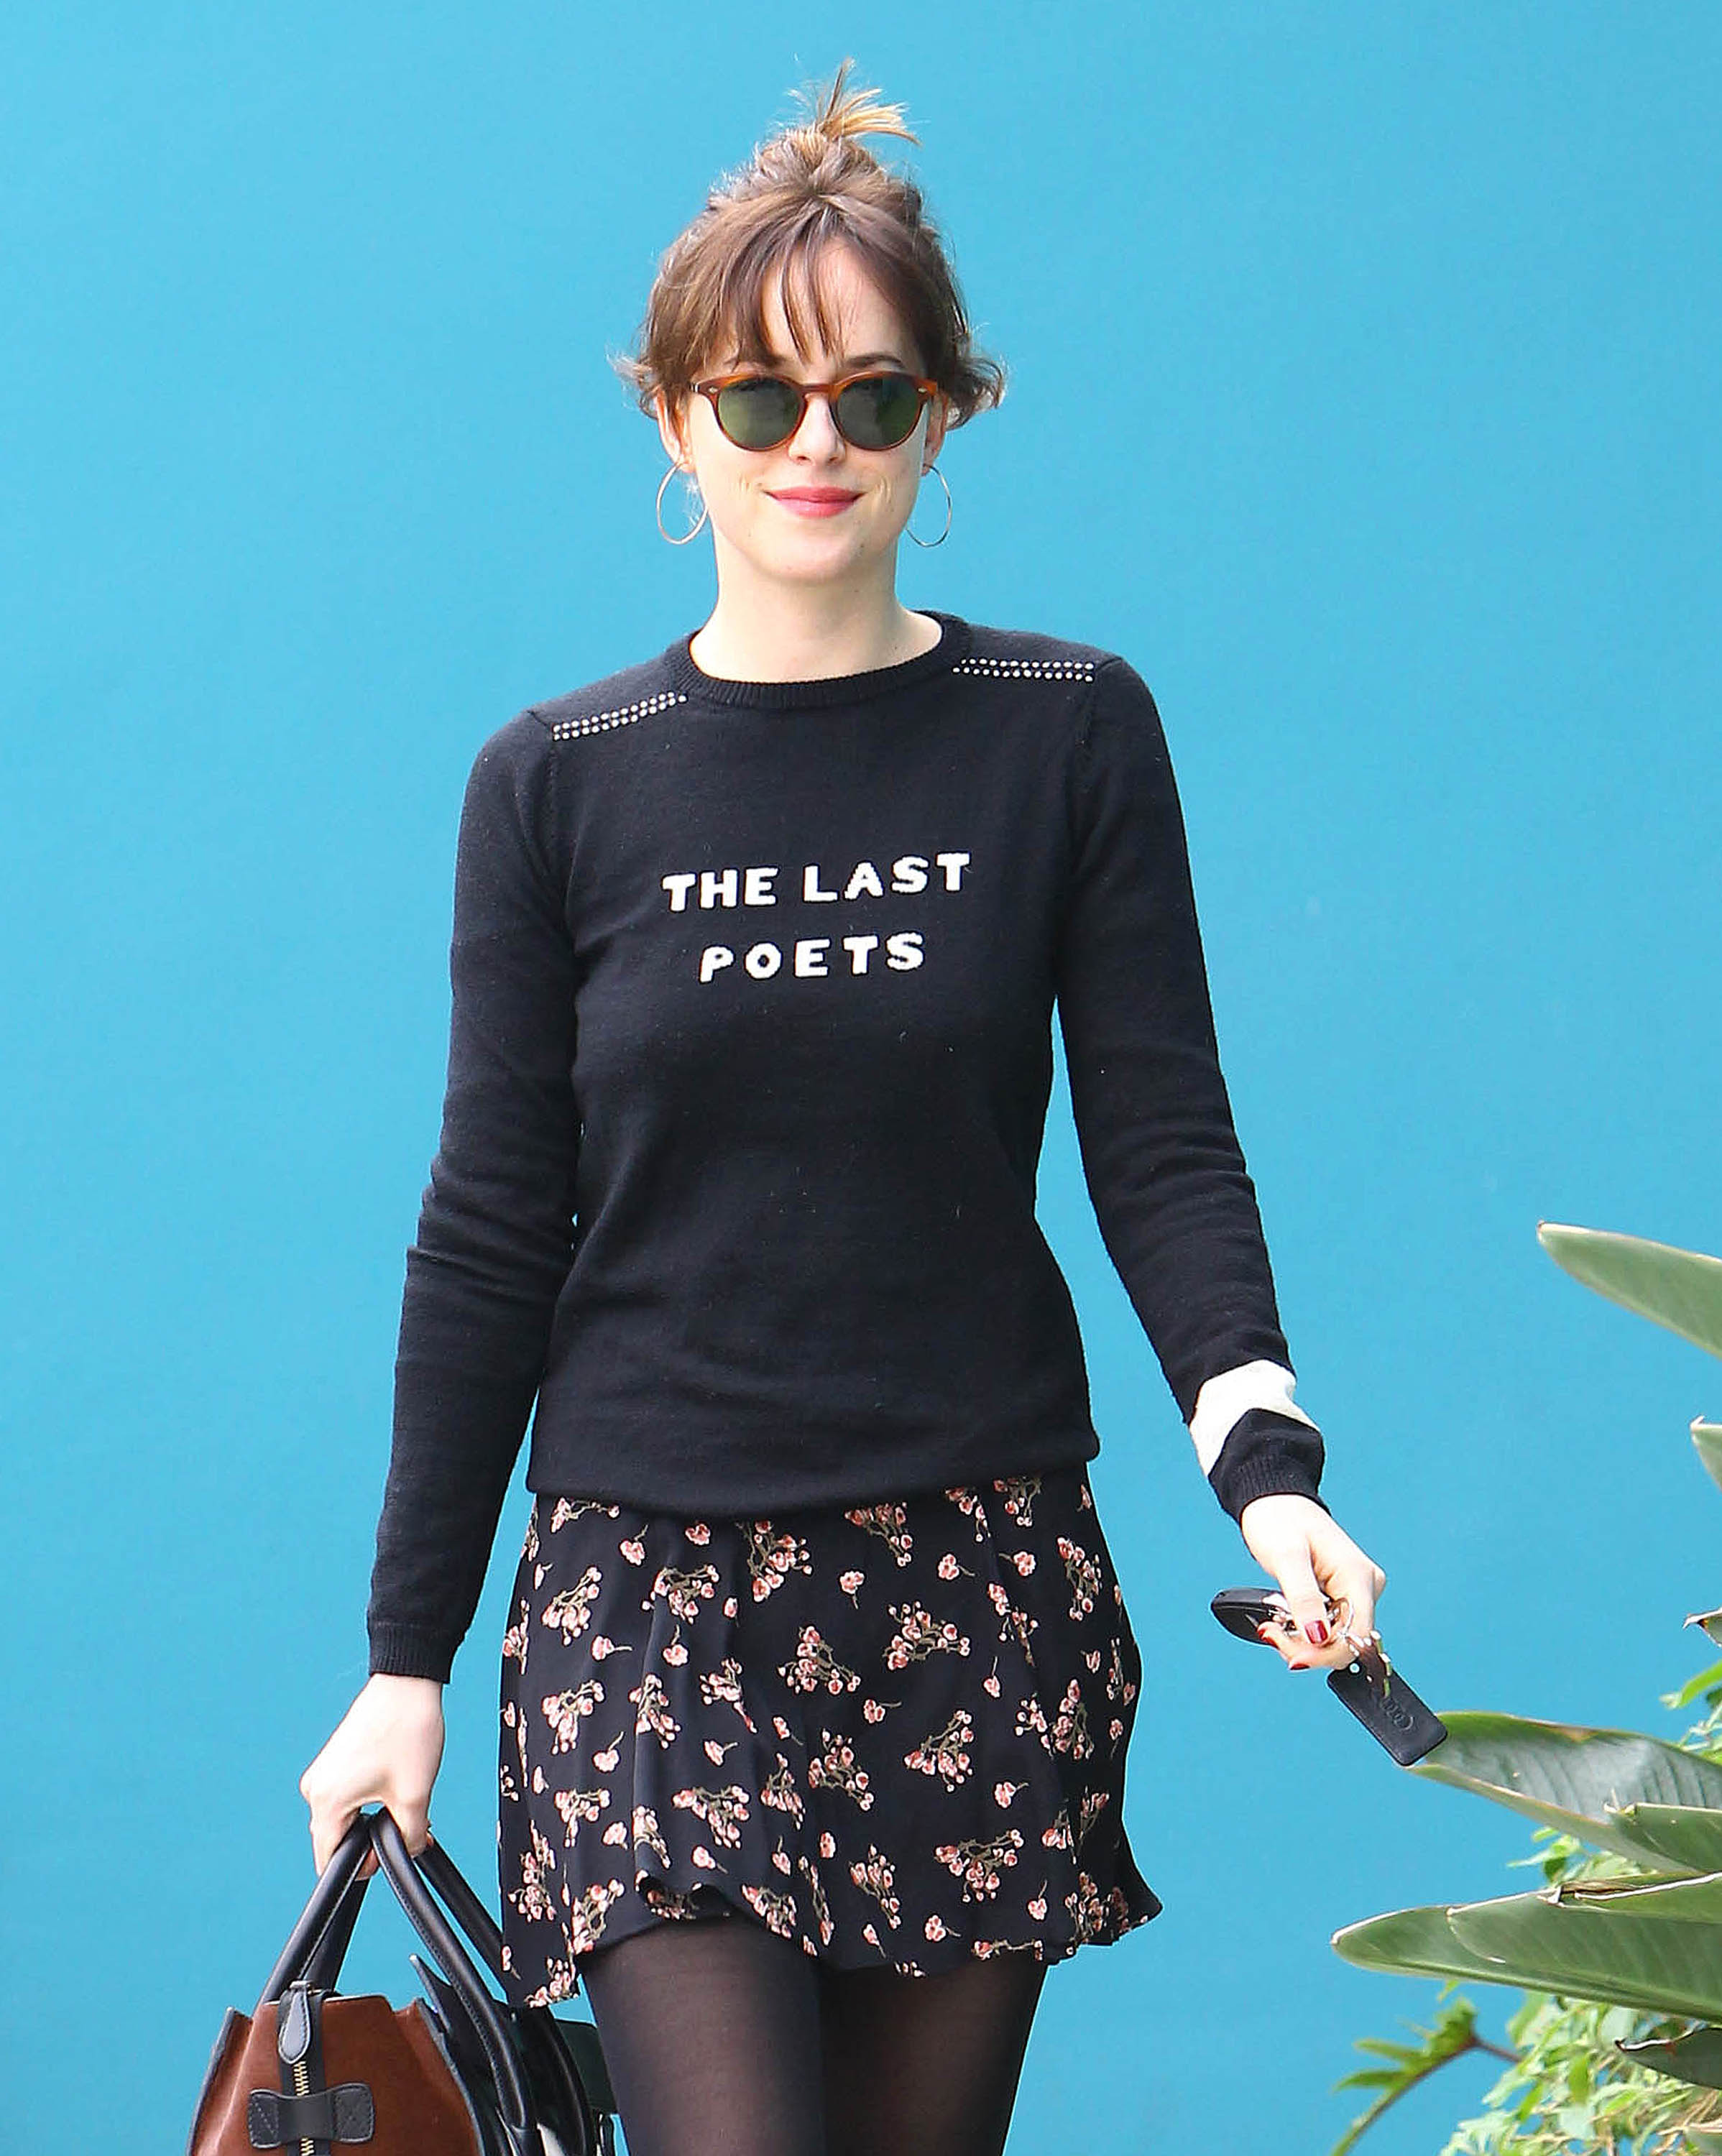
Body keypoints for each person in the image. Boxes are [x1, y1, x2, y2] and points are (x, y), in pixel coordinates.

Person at [299, 57, 1386, 2156]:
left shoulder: (1064, 728)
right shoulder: (559, 779)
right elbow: (491, 1228)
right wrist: (402, 1659)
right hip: (645, 1594)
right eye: (760, 399)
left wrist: (1270, 1473)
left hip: (975, 1570)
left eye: (871, 398)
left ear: (944, 420)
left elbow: (1160, 1139)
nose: (816, 445)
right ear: (671, 421)